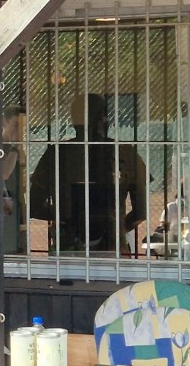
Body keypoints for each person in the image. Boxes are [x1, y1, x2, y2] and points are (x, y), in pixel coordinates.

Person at [28, 93, 148, 255]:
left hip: (68, 248)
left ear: (73, 122)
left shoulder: (57, 154)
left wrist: (68, 219)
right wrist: (115, 229)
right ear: (103, 120)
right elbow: (140, 211)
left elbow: (34, 206)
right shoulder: (125, 152)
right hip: (112, 249)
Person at [0, 106, 26, 254]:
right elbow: (4, 173)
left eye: (22, 127)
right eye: (16, 125)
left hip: (15, 202)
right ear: (5, 122)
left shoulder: (20, 147)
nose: (18, 130)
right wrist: (16, 147)